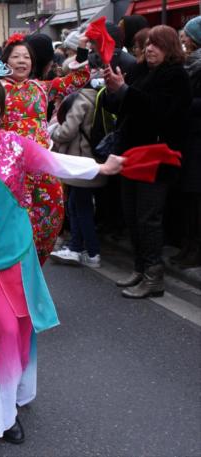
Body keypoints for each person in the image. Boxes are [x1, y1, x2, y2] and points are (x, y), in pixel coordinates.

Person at [0, 74, 124, 443]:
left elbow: (53, 162)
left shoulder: (14, 145)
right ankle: (4, 413)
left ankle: (14, 387)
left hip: (19, 250)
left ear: (0, 111)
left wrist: (99, 168)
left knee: (22, 324)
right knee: (5, 327)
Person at [104, 25, 191, 298]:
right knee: (132, 215)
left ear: (171, 49)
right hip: (131, 155)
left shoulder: (176, 76)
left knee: (147, 219)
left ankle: (154, 276)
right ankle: (140, 268)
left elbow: (160, 113)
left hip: (156, 158)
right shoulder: (143, 71)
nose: (150, 49)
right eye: (149, 44)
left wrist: (126, 91)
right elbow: (123, 107)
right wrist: (112, 91)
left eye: (158, 45)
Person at [0, 34, 90, 265]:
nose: (22, 61)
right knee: (15, 223)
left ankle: (33, 269)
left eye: (26, 57)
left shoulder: (41, 87)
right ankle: (11, 275)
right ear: (5, 61)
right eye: (16, 56)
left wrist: (81, 49)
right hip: (10, 167)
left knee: (52, 215)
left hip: (42, 164)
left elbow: (78, 78)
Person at [49, 84, 107, 268]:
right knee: (80, 205)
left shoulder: (84, 97)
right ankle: (81, 247)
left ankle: (88, 251)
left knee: (79, 207)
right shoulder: (103, 95)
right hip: (97, 159)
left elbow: (68, 130)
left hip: (81, 161)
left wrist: (53, 133)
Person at [171, 16, 201, 268]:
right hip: (188, 138)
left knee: (195, 198)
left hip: (197, 139)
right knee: (188, 197)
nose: (183, 42)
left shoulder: (197, 66)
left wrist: (182, 103)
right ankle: (187, 246)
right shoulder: (189, 65)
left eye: (186, 38)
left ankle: (194, 249)